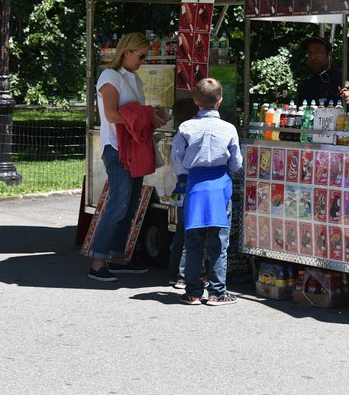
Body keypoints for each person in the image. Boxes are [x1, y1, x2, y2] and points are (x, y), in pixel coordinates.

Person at [86, 32, 168, 282]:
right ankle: (98, 261)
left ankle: (117, 256)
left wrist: (151, 117)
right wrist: (144, 116)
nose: (142, 61)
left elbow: (130, 115)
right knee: (118, 204)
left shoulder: (132, 77)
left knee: (130, 204)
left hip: (133, 148)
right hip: (117, 149)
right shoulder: (110, 76)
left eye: (145, 57)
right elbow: (111, 115)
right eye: (141, 56)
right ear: (126, 52)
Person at [171, 78, 242, 306]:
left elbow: (177, 160)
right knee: (219, 243)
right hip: (220, 186)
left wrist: (187, 173)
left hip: (195, 187)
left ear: (195, 101)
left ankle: (192, 292)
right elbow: (237, 163)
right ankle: (216, 293)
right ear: (219, 100)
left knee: (193, 241)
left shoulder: (185, 128)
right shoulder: (229, 129)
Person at [166, 97, 200, 291]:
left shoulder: (180, 133)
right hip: (191, 184)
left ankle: (173, 273)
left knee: (181, 232)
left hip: (181, 185)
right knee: (191, 232)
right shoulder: (190, 133)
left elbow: (177, 163)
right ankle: (182, 275)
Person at [296, 36, 349, 111]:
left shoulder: (346, 77)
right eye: (310, 53)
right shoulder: (306, 86)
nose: (312, 57)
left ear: (329, 55)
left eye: (317, 52)